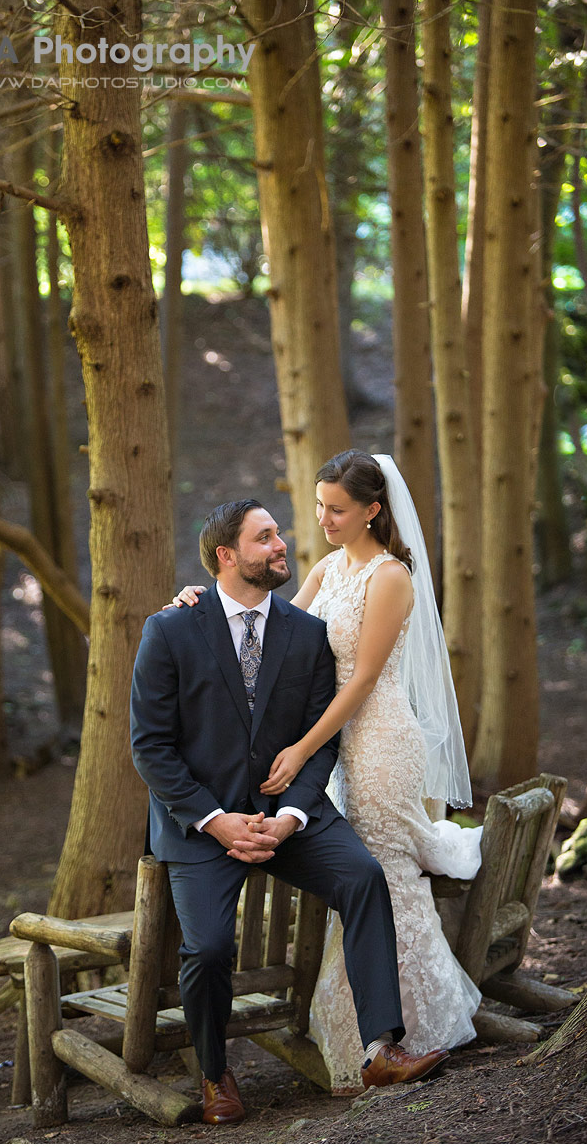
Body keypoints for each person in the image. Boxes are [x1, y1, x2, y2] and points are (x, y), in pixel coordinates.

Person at [170, 452, 483, 1095]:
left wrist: (304, 747)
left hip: (376, 738)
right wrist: (196, 598)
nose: (322, 519)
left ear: (372, 509)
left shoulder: (391, 576)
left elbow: (364, 677)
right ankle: (359, 1033)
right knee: (364, 875)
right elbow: (265, 617)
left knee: (385, 873)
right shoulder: (326, 568)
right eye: (318, 507)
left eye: (335, 509)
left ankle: (411, 1028)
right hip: (327, 740)